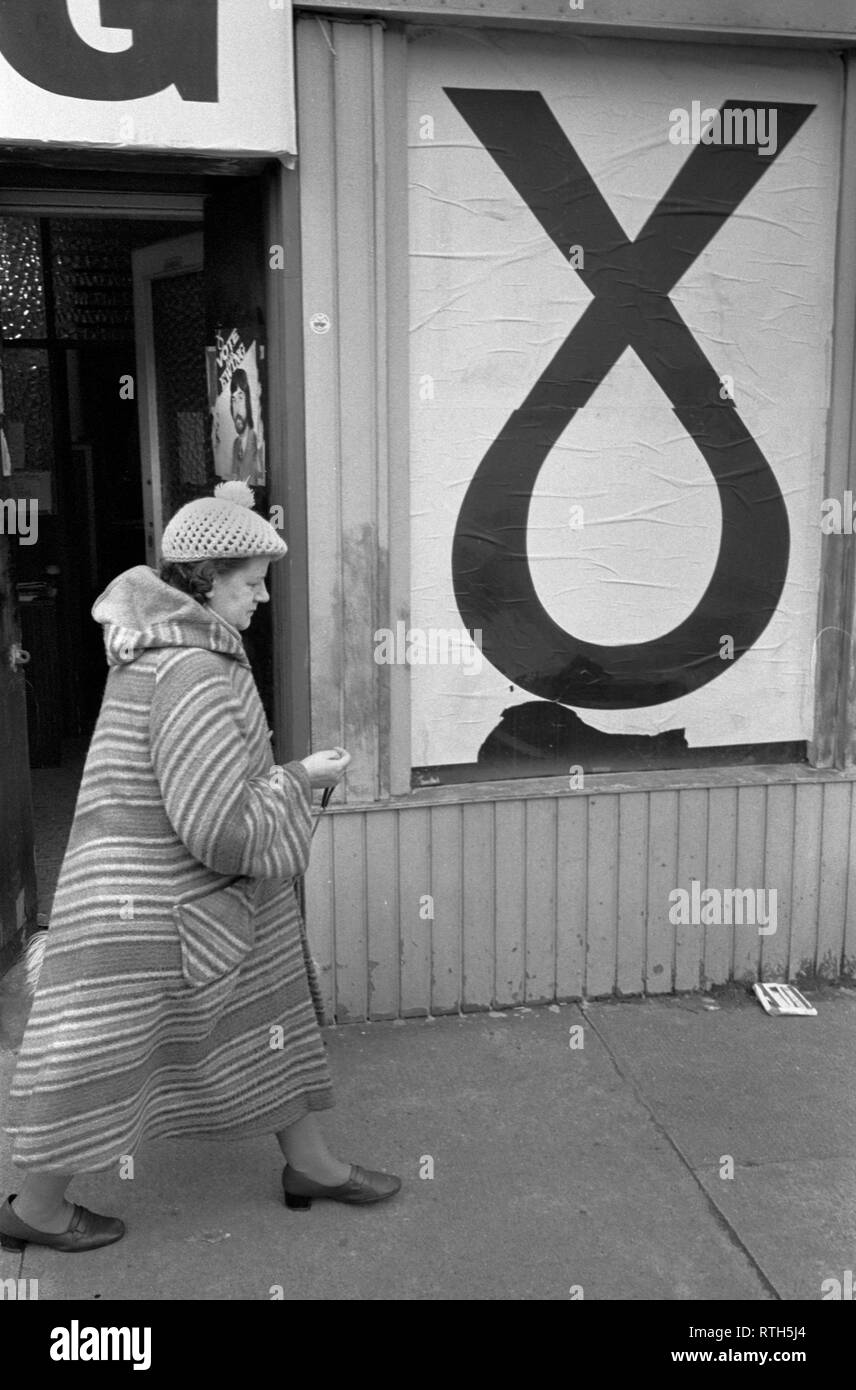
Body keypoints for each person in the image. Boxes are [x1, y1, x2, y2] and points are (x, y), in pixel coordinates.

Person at [0, 480, 400, 1254]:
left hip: (172, 897)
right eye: (250, 583)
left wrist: (280, 778)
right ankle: (35, 1209)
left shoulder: (173, 648)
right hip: (162, 907)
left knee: (267, 1008)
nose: (261, 599)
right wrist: (300, 779)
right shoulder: (193, 670)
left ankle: (310, 1164)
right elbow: (218, 830)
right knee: (98, 1049)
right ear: (205, 581)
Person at [229, 368, 261, 482]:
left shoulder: (258, 441)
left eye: (240, 397)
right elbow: (233, 478)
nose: (237, 408)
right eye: (233, 399)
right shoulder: (236, 444)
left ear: (248, 402)